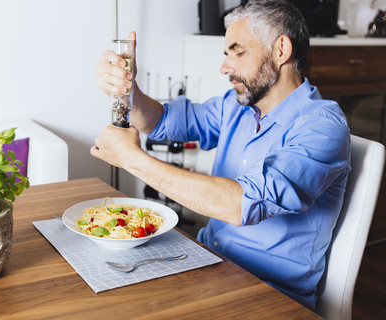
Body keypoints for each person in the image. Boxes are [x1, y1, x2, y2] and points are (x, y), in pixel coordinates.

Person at [93, 0, 350, 311]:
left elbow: (243, 204)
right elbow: (162, 121)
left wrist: (133, 160)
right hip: (207, 263)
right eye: (226, 55)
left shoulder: (322, 126)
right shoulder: (238, 106)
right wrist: (127, 89)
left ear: (281, 50)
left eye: (238, 52)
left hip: (269, 297)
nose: (225, 68)